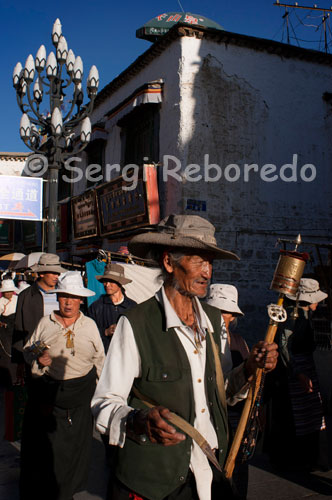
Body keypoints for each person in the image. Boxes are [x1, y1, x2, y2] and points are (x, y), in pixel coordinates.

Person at [92, 214, 278, 500]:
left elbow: (222, 392)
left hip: (211, 473)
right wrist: (138, 421)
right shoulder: (137, 323)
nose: (207, 272)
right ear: (169, 262)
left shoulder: (214, 322)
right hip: (155, 482)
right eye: (197, 261)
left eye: (210, 263)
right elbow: (105, 402)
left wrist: (251, 369)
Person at [20, 271, 105, 500]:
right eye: (64, 297)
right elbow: (29, 351)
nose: (68, 302)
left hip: (81, 397)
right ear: (58, 298)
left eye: (73, 297)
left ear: (80, 300)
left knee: (76, 449)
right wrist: (39, 359)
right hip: (50, 396)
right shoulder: (45, 323)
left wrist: (101, 395)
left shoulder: (89, 326)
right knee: (50, 451)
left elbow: (100, 360)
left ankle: (68, 490)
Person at [264, 278, 329, 472]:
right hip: (293, 370)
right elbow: (285, 346)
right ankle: (296, 460)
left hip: (304, 367)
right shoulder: (294, 316)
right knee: (294, 417)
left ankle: (306, 458)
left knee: (309, 416)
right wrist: (298, 373)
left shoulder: (303, 314)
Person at [206, 284, 250, 499]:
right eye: (216, 310)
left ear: (233, 316)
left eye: (225, 312)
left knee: (235, 479)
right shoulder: (200, 341)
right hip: (209, 419)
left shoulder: (239, 342)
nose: (221, 316)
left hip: (235, 421)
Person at [12, 253, 67, 374]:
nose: (56, 276)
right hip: (34, 354)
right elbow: (18, 328)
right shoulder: (25, 296)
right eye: (53, 273)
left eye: (58, 273)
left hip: (61, 352)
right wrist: (19, 361)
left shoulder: (64, 294)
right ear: (42, 273)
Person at [88, 263, 137, 353]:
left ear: (120, 283)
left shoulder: (132, 307)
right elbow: (88, 334)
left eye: (111, 281)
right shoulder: (96, 307)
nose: (107, 285)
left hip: (127, 355)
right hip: (104, 357)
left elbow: (139, 333)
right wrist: (106, 332)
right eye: (105, 281)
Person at [0, 279, 19, 387]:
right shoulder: (1, 301)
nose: (8, 294)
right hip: (5, 330)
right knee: (6, 353)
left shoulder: (18, 299)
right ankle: (8, 377)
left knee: (16, 351)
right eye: (6, 292)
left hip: (16, 327)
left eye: (10, 291)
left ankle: (18, 376)